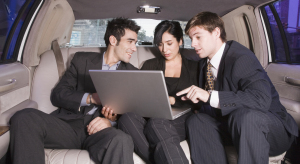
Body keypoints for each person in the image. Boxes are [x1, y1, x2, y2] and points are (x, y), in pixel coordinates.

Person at [9, 18, 140, 164]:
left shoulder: (133, 73)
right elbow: (58, 95)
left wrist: (111, 122)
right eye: (130, 41)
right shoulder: (81, 60)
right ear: (113, 40)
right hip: (67, 126)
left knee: (121, 139)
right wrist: (91, 98)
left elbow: (135, 114)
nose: (134, 48)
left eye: (135, 43)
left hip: (102, 132)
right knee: (24, 117)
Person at [176, 11, 298, 164]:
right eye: (191, 38)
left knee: (244, 116)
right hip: (234, 125)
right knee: (197, 120)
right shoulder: (204, 64)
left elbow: (261, 100)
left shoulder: (241, 58)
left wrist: (209, 96)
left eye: (198, 37)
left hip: (270, 130)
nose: (193, 44)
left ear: (216, 32)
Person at [118, 20, 199, 164]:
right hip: (151, 115)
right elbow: (138, 94)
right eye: (160, 45)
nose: (164, 49)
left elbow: (200, 98)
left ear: (180, 41)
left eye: (169, 43)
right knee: (126, 119)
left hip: (181, 118)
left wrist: (173, 100)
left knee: (157, 123)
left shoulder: (195, 67)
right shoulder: (150, 65)